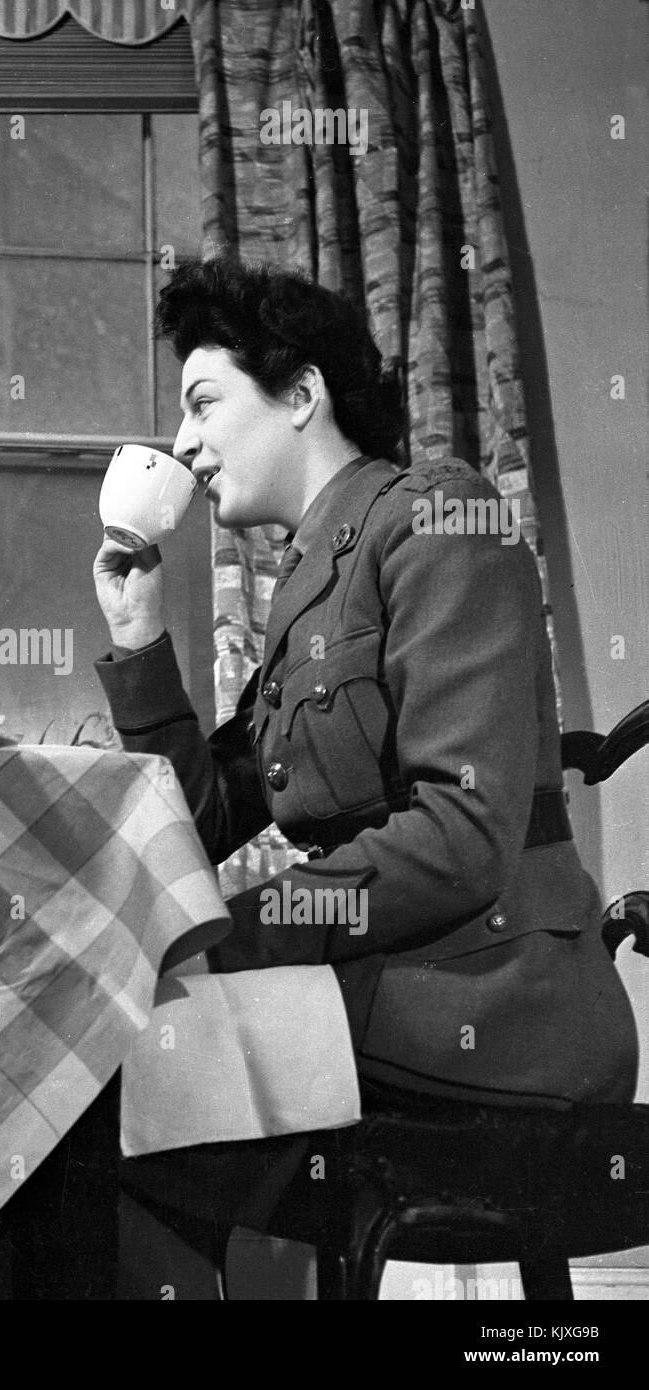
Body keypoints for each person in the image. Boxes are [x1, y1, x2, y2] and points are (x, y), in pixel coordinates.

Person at [92, 259, 639, 1268]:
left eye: (203, 403)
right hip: (376, 991)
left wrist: (241, 934)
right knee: (84, 1076)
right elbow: (201, 818)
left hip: (490, 1004)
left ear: (302, 393)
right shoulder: (309, 582)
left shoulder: (435, 517)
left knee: (96, 1085)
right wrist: (137, 639)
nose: (180, 444)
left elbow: (461, 836)